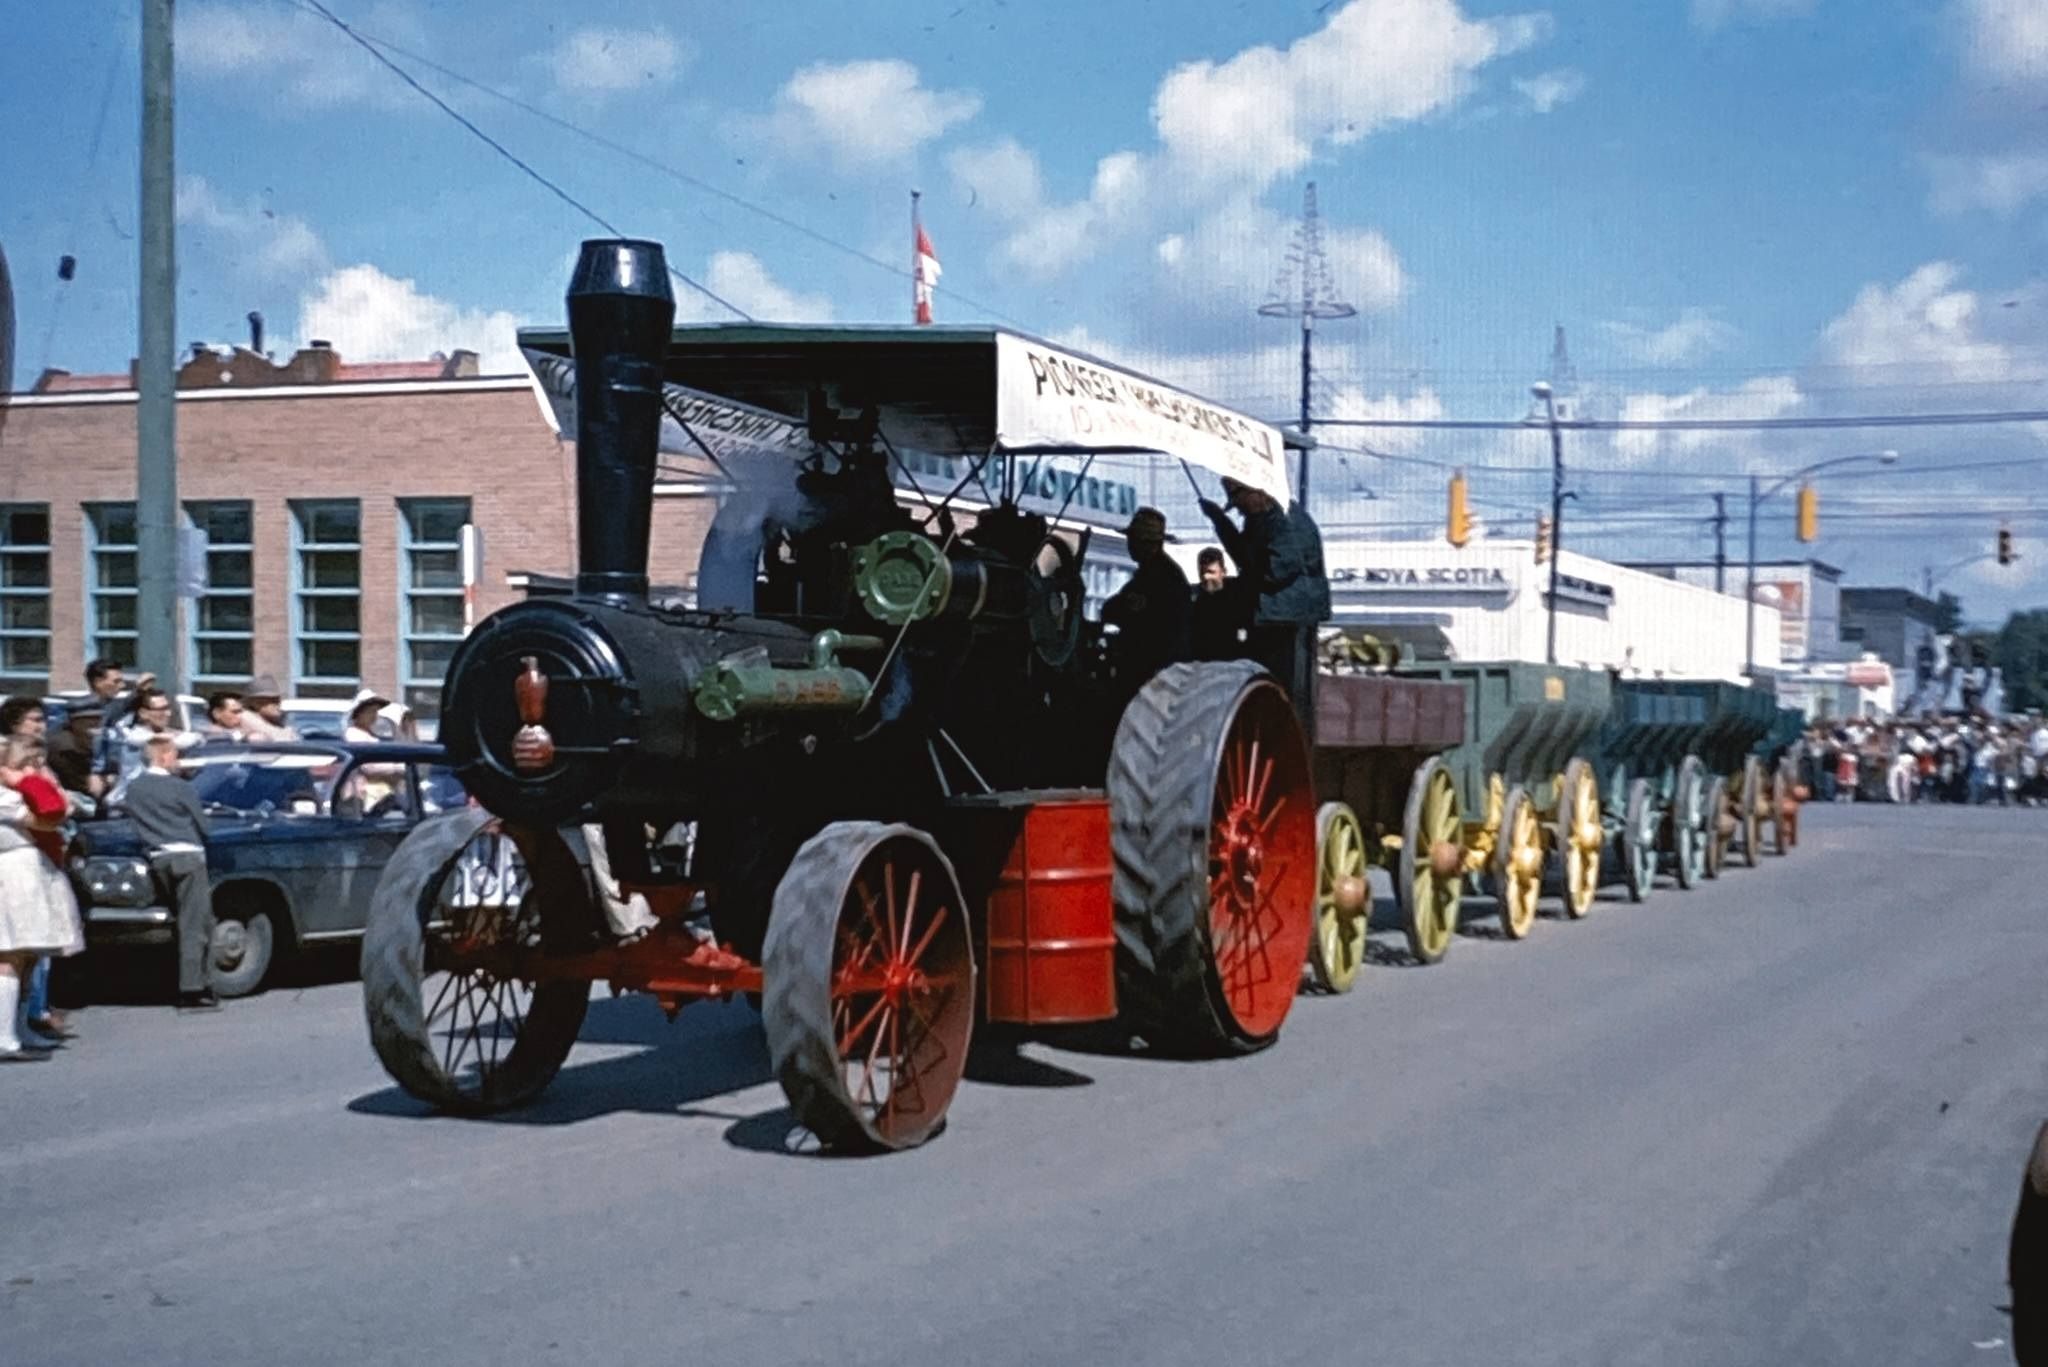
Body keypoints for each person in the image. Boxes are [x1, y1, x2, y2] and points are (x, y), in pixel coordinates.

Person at [1198, 475, 1331, 728]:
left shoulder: (1286, 521)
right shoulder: (1262, 519)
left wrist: (1236, 588)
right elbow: (1247, 560)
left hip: (1288, 621)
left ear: (1255, 491)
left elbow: (1274, 572)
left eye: (1238, 502)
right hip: (1272, 617)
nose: (1239, 509)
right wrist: (1220, 522)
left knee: (1284, 694)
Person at [0, 736, 85, 1060]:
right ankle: (4, 1035)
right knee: (9, 954)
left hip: (28, 871)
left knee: (27, 956)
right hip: (12, 873)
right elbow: (52, 814)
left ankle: (21, 1030)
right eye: (22, 764)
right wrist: (32, 783)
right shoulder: (6, 798)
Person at [122, 735, 218, 1011]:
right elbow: (204, 825)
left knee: (174, 918)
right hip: (188, 855)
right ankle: (193, 989)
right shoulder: (180, 787)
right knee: (195, 923)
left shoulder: (135, 788)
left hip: (157, 857)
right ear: (163, 756)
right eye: (175, 755)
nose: (178, 761)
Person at [1099, 507, 1190, 692]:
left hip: (1151, 672)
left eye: (1133, 539)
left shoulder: (1158, 577)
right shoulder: (1156, 573)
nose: (1129, 544)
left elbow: (1116, 609)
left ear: (1148, 543)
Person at [107, 688, 202, 807]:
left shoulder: (170, 733)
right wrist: (195, 737)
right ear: (143, 713)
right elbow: (162, 740)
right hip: (127, 804)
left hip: (160, 800)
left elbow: (194, 740)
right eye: (160, 710)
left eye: (167, 708)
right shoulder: (134, 735)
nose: (167, 714)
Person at [1189, 545, 1249, 662]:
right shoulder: (1196, 599)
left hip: (1231, 658)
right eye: (1202, 572)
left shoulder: (1237, 598)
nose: (1206, 577)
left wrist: (1241, 652)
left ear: (1223, 572)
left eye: (1211, 572)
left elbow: (1243, 629)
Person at [47, 704, 99, 796]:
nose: (96, 729)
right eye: (89, 723)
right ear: (74, 724)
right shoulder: (64, 748)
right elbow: (84, 786)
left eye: (99, 722)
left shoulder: (107, 740)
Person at [238, 674, 298, 743]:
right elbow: (278, 737)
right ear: (255, 703)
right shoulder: (246, 717)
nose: (277, 704)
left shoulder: (274, 720)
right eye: (272, 701)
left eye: (278, 700)